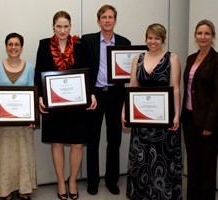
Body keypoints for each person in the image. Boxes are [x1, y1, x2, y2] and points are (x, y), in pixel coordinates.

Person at [34, 11, 96, 200]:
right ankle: (61, 180)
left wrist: (92, 93)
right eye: (59, 26)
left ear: (70, 27)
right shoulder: (44, 44)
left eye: (66, 26)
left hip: (76, 102)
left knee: (77, 143)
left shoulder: (80, 43)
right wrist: (40, 97)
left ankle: (72, 180)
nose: (62, 30)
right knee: (57, 142)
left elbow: (90, 69)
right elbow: (39, 71)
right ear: (53, 26)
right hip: (54, 103)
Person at [121, 23, 182, 199]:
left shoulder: (172, 58)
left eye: (157, 38)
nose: (153, 41)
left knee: (163, 159)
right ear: (146, 38)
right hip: (141, 119)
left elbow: (175, 88)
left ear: (163, 40)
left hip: (164, 120)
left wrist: (177, 115)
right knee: (140, 159)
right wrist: (125, 111)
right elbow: (132, 87)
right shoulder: (138, 59)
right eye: (150, 37)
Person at [81, 4, 131, 195]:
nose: (108, 20)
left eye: (111, 17)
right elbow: (83, 70)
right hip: (95, 96)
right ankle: (92, 181)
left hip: (116, 96)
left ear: (115, 20)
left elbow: (130, 72)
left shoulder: (125, 43)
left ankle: (112, 180)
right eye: (104, 17)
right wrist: (88, 93)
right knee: (93, 140)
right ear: (98, 20)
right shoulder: (87, 41)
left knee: (114, 140)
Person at [0, 33, 37, 200]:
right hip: (2, 123)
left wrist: (33, 118)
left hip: (22, 123)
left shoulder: (29, 67)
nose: (13, 47)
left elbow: (32, 93)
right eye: (10, 44)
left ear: (22, 47)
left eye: (17, 44)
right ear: (6, 46)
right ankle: (5, 190)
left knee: (23, 156)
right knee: (4, 157)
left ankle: (23, 189)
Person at [181, 20, 218, 200]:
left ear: (213, 36)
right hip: (189, 117)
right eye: (200, 33)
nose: (203, 37)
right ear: (195, 36)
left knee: (207, 164)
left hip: (209, 120)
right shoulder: (191, 58)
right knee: (193, 161)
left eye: (207, 33)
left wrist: (210, 123)